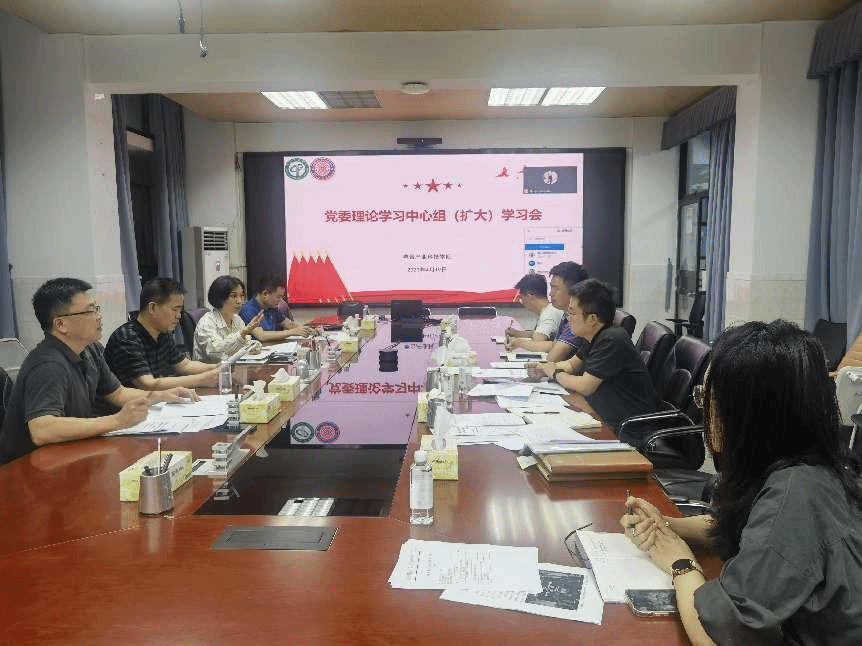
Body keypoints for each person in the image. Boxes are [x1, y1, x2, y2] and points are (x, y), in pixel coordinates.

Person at [620, 320, 862, 645]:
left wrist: (679, 561)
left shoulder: (798, 491)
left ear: (749, 415)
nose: (705, 413)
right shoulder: (803, 463)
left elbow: (714, 636)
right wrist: (666, 525)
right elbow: (748, 528)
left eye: (708, 399)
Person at [0, 278, 199, 466]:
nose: (99, 316)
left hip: (68, 454)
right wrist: (117, 421)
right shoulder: (47, 364)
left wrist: (160, 396)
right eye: (90, 311)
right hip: (28, 469)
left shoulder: (90, 349)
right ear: (61, 324)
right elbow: (42, 429)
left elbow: (118, 393)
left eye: (97, 308)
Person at [536, 278, 661, 441]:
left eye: (572, 313)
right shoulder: (594, 335)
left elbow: (585, 386)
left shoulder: (611, 339)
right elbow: (571, 365)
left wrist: (555, 373)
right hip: (605, 415)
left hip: (629, 429)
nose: (568, 318)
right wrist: (544, 368)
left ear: (593, 319)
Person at [104, 277, 218, 389]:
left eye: (180, 310)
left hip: (158, 399)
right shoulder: (127, 338)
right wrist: (203, 379)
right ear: (152, 308)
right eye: (175, 309)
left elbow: (185, 365)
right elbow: (147, 384)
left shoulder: (162, 333)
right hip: (131, 401)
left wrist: (220, 367)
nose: (179, 316)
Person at [508, 261, 589, 363]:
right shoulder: (566, 315)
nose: (551, 294)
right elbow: (555, 346)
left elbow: (553, 357)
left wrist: (520, 342)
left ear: (573, 291)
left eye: (555, 288)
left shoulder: (577, 319)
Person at [193, 275, 264, 363]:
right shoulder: (207, 322)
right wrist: (242, 333)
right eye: (234, 296)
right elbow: (214, 353)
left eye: (242, 296)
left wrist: (254, 345)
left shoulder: (237, 319)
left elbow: (246, 343)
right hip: (210, 369)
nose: (239, 301)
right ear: (220, 297)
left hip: (232, 367)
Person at [239, 275, 316, 340]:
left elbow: (289, 324)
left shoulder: (272, 307)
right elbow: (261, 336)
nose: (281, 300)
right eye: (278, 297)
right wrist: (292, 332)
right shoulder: (247, 310)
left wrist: (308, 330)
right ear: (265, 294)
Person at [504, 273, 564, 345]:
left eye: (521, 297)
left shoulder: (549, 314)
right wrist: (518, 334)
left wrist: (518, 342)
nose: (521, 301)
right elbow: (539, 333)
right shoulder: (549, 310)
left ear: (530, 295)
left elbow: (538, 341)